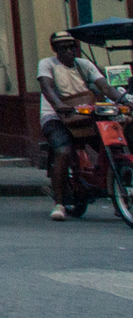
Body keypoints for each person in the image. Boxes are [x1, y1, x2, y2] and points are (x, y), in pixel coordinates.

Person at [37, 29, 130, 220]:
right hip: (56, 116)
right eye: (64, 48)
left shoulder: (84, 65)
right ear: (55, 49)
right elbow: (47, 88)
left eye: (72, 46)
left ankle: (117, 201)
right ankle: (59, 203)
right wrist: (59, 105)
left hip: (85, 114)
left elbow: (105, 87)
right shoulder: (47, 64)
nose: (69, 51)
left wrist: (124, 100)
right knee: (63, 150)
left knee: (113, 149)